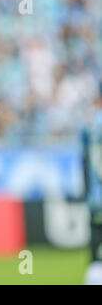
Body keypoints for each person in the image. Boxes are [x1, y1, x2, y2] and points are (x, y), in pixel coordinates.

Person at [81, 82, 102, 285]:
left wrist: (87, 195)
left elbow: (84, 164)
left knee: (97, 258)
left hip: (97, 199)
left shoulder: (90, 124)